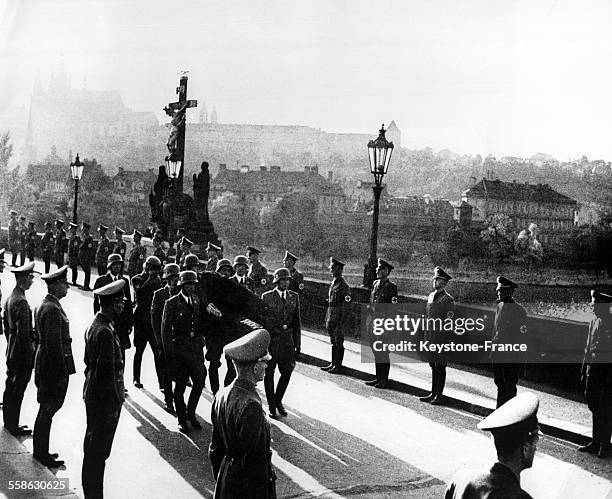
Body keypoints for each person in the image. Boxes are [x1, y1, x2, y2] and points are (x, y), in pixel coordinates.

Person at [209, 329, 276, 499]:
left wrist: (225, 478)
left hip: (227, 482)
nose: (266, 366)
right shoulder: (251, 405)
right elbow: (255, 465)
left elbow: (215, 451)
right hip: (245, 490)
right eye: (263, 362)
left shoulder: (221, 395)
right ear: (254, 368)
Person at [445, 392, 540, 499]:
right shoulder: (519, 497)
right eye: (535, 441)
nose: (536, 448)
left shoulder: (460, 480)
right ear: (525, 449)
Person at [82, 280, 127, 498]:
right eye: (120, 302)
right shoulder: (104, 332)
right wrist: (113, 401)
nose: (123, 305)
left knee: (94, 448)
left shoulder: (99, 325)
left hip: (95, 394)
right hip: (104, 400)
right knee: (97, 451)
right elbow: (105, 374)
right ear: (112, 303)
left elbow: (88, 365)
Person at [33, 266, 75, 468]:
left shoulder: (49, 305)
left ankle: (41, 450)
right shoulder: (51, 308)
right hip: (52, 368)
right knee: (48, 409)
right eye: (64, 283)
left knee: (46, 410)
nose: (66, 286)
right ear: (56, 285)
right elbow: (53, 346)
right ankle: (41, 453)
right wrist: (61, 374)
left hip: (46, 364)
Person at [161, 270, 206, 433]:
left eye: (193, 284)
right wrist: (169, 353)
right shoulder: (171, 303)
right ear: (181, 285)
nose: (191, 287)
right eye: (188, 284)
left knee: (199, 381)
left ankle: (191, 413)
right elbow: (165, 330)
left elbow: (200, 324)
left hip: (194, 350)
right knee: (179, 386)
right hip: (179, 349)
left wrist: (201, 341)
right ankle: (181, 418)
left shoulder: (196, 301)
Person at [262, 268, 301, 418]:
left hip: (287, 342)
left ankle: (278, 400)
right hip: (272, 342)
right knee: (269, 373)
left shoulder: (294, 297)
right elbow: (263, 322)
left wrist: (298, 343)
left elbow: (297, 322)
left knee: (287, 371)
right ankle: (271, 405)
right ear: (277, 281)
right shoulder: (267, 297)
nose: (286, 282)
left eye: (288, 280)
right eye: (283, 280)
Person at [2, 262, 36, 436]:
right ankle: (13, 424)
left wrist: (11, 344)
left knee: (10, 386)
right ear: (23, 279)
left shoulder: (11, 297)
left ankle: (8, 421)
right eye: (31, 277)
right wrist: (30, 357)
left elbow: (7, 328)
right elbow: (24, 335)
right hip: (21, 354)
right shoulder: (22, 302)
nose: (32, 281)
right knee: (18, 390)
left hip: (11, 350)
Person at [579, 290, 612, 458]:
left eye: (595, 303)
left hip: (605, 374)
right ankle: (595, 441)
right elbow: (588, 347)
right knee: (593, 404)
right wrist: (584, 369)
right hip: (593, 370)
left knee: (604, 408)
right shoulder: (593, 321)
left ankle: (605, 445)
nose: (592, 305)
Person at [93, 254, 134, 389]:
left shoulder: (124, 281)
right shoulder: (101, 281)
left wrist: (129, 322)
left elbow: (128, 303)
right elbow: (96, 304)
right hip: (107, 321)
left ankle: (119, 381)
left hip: (121, 325)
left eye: (119, 265)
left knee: (121, 353)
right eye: (115, 264)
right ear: (109, 266)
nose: (117, 267)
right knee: (107, 353)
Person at [419, 266, 455, 404]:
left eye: (438, 279)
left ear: (444, 282)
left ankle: (439, 395)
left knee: (440, 366)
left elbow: (449, 322)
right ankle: (433, 392)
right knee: (433, 365)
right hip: (430, 337)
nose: (434, 281)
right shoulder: (431, 296)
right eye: (434, 278)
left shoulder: (448, 300)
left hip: (440, 339)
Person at [492, 276, 528, 408]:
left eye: (502, 291)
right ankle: (498, 415)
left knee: (509, 386)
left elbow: (522, 338)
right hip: (498, 355)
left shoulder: (519, 311)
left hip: (511, 357)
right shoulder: (499, 307)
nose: (499, 293)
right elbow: (495, 331)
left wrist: (521, 361)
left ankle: (509, 420)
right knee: (499, 383)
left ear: (510, 292)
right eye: (498, 290)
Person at [151, 263, 181, 414]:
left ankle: (178, 400)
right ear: (166, 279)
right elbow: (155, 319)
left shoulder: (181, 295)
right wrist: (159, 340)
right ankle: (169, 401)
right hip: (165, 340)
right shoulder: (159, 294)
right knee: (167, 373)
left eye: (176, 278)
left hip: (179, 341)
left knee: (180, 373)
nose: (174, 281)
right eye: (171, 278)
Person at [365, 258, 398, 389]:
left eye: (380, 269)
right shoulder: (375, 284)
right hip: (373, 321)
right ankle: (378, 377)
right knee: (376, 350)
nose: (377, 270)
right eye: (378, 268)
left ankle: (384, 379)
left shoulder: (391, 287)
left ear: (386, 271)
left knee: (383, 352)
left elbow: (393, 308)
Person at [131, 256, 163, 389]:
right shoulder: (137, 279)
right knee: (139, 350)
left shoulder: (158, 281)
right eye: (152, 269)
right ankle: (136, 377)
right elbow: (140, 294)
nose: (154, 272)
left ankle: (162, 382)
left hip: (152, 322)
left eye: (156, 269)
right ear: (147, 268)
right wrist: (150, 279)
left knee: (157, 352)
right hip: (141, 320)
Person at [321, 257, 351, 374]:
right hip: (331, 316)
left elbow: (347, 305)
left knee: (339, 341)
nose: (331, 270)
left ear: (340, 270)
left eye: (333, 268)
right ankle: (333, 363)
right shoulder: (333, 283)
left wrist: (341, 321)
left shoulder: (344, 286)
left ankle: (338, 365)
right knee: (333, 341)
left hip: (338, 318)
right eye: (331, 268)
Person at [79, 222, 95, 291]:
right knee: (86, 272)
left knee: (87, 272)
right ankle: (85, 285)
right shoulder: (85, 237)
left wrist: (87, 258)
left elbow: (89, 249)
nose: (83, 230)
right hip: (83, 257)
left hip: (86, 258)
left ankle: (86, 286)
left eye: (84, 229)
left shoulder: (89, 238)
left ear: (87, 229)